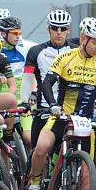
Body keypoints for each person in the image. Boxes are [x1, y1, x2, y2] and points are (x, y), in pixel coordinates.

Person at [26, 17, 96, 190]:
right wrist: (53, 105)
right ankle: (35, 183)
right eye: (95, 42)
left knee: (86, 174)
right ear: (83, 38)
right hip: (61, 117)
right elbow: (47, 83)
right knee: (41, 147)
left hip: (85, 123)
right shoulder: (66, 57)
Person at [22, 11, 78, 145]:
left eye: (63, 28)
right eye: (54, 28)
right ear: (49, 29)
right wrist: (25, 101)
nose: (59, 32)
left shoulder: (76, 51)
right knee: (38, 151)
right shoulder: (36, 51)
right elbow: (27, 79)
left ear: (68, 30)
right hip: (44, 108)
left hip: (70, 109)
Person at [0, 15, 27, 89]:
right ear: (4, 34)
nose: (18, 36)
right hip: (1, 96)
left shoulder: (23, 52)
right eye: (14, 33)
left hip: (20, 97)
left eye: (20, 33)